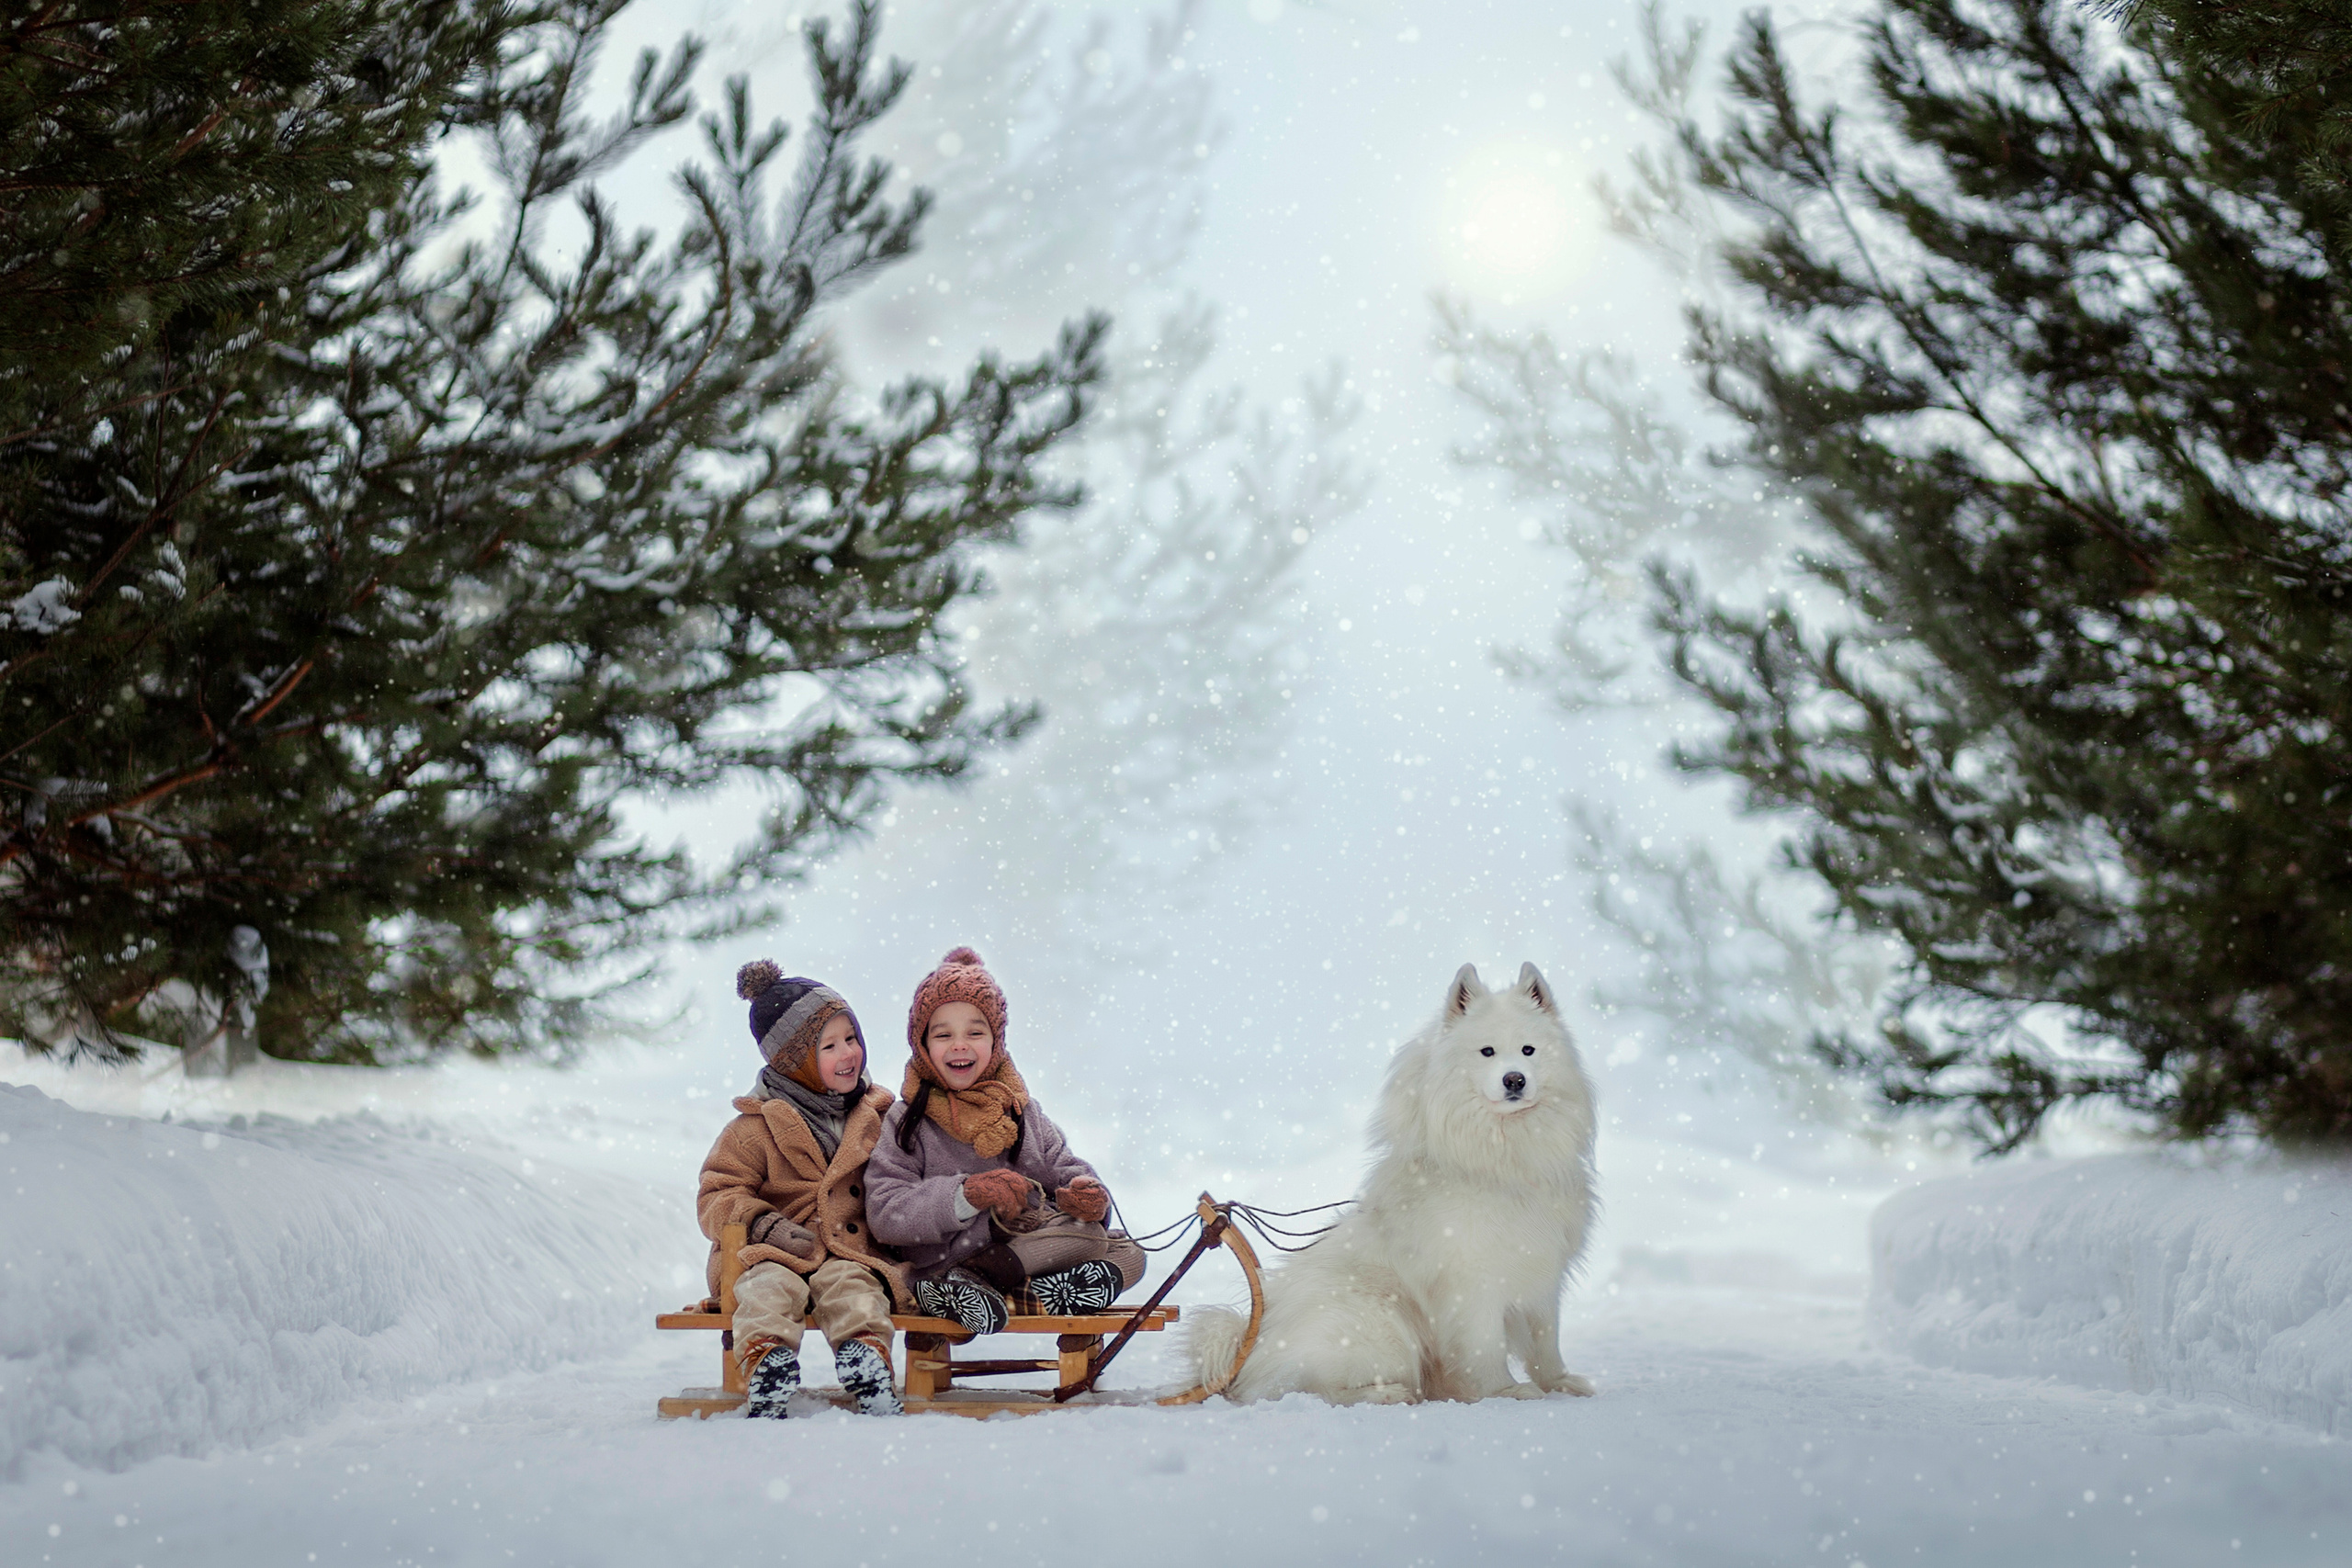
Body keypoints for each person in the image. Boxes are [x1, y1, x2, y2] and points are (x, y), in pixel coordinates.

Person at [865, 946, 1143, 1334]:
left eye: (975, 1033)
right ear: (922, 1045)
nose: (959, 1045)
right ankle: (962, 1281)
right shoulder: (907, 1120)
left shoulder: (1020, 1110)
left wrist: (1085, 1191)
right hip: (948, 1255)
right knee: (1087, 1239)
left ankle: (1011, 1292)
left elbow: (1062, 1164)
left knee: (1130, 1253)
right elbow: (886, 1213)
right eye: (943, 1035)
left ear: (996, 1042)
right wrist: (967, 1195)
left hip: (1026, 1245)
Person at [696, 961, 909, 1417]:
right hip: (774, 1251)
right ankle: (767, 1364)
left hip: (850, 1250)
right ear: (794, 1062)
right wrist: (761, 1224)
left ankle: (867, 1360)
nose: (848, 1053)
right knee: (767, 1290)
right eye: (828, 1046)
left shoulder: (878, 1115)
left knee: (854, 1288)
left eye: (851, 1038)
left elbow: (905, 1173)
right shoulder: (753, 1128)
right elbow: (717, 1192)